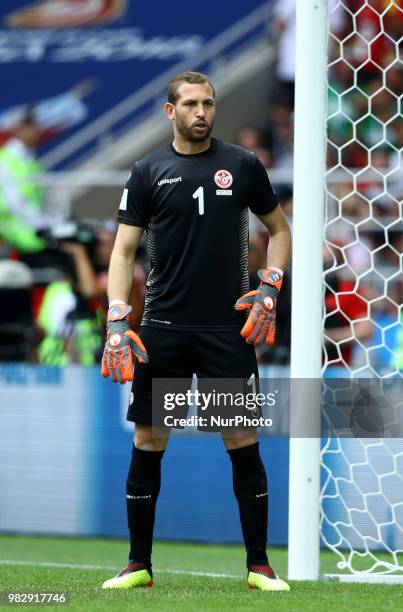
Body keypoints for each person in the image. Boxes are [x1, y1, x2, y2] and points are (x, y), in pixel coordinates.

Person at [100, 71, 292, 592]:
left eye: (208, 103)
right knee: (148, 439)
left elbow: (278, 230)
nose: (202, 112)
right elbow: (122, 252)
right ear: (171, 111)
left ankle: (259, 567)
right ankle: (138, 565)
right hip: (162, 327)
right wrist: (119, 315)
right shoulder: (147, 170)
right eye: (190, 104)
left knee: (241, 441)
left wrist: (271, 286)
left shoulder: (242, 164)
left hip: (226, 330)